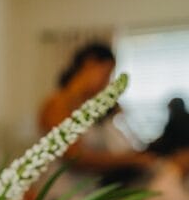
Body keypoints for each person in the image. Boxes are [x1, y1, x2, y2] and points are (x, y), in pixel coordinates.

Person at [38, 42, 153, 186]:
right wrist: (130, 160)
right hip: (63, 198)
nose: (107, 82)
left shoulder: (92, 107)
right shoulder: (57, 104)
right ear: (89, 64)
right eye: (106, 74)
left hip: (90, 193)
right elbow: (75, 158)